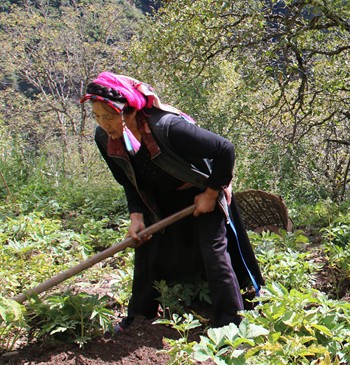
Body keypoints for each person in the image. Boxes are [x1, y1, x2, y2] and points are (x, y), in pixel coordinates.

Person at [81, 71, 263, 330]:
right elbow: (127, 179)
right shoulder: (105, 138)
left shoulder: (168, 128)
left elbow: (225, 149)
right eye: (97, 117)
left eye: (109, 117)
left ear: (130, 111)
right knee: (146, 250)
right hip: (156, 197)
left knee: (213, 252)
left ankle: (231, 324)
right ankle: (138, 319)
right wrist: (136, 216)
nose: (104, 125)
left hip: (201, 190)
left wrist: (210, 195)